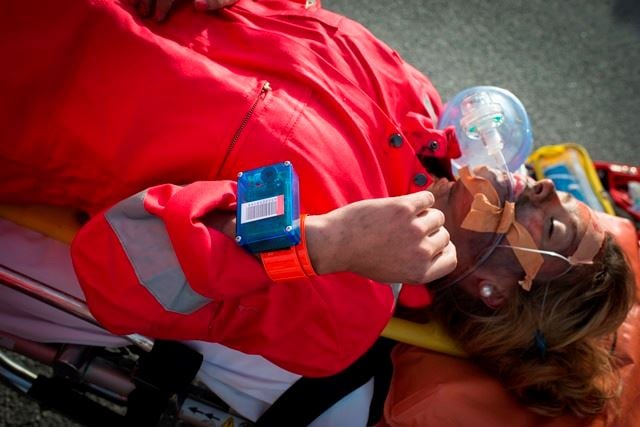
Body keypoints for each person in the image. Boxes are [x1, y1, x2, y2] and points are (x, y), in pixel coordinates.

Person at [0, 0, 634, 423]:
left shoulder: (345, 303)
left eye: (551, 223)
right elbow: (295, 21)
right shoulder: (416, 106)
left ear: (496, 291)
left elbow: (128, 269)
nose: (538, 186)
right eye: (558, 191)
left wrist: (325, 242)